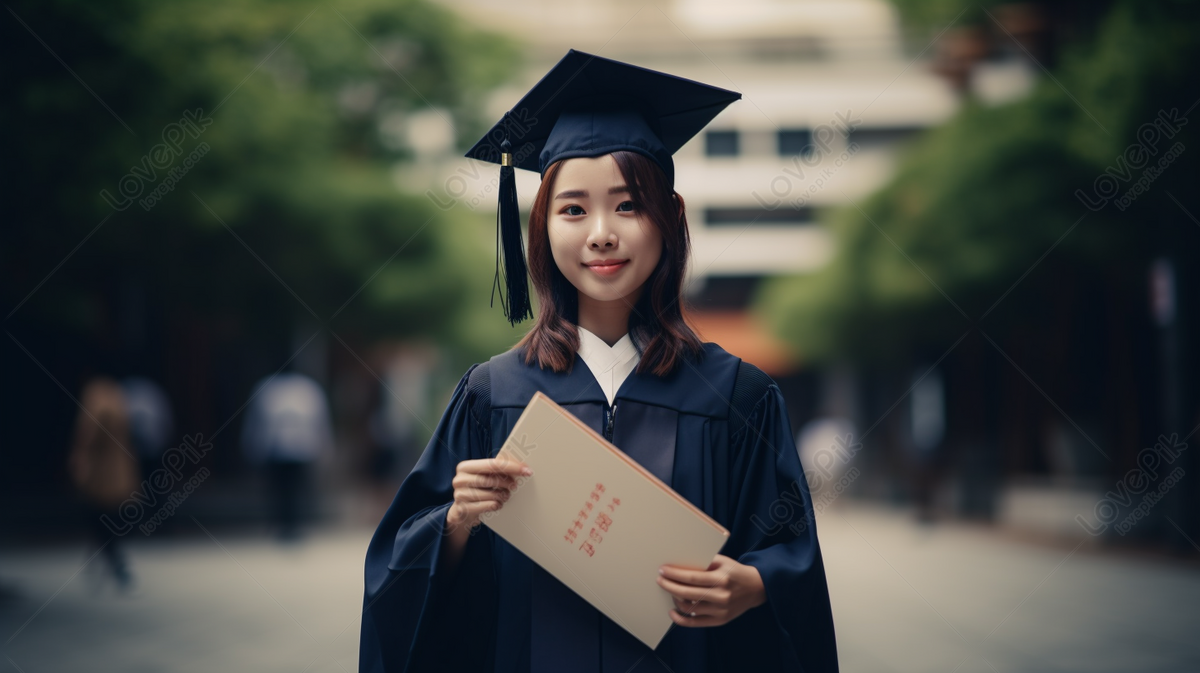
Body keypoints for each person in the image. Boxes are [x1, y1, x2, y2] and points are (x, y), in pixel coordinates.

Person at [359, 49, 839, 673]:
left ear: (672, 218)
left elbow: (790, 553)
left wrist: (756, 584)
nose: (601, 233)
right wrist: (454, 522)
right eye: (574, 209)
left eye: (629, 205)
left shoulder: (736, 397)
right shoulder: (491, 395)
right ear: (541, 227)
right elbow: (399, 575)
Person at [240, 370, 334, 541]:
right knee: (279, 490)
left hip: (301, 450)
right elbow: (256, 421)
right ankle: (281, 524)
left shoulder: (306, 388)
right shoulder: (268, 387)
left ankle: (294, 525)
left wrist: (324, 446)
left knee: (295, 490)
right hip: (275, 450)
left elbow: (320, 420)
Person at [68, 377, 141, 591]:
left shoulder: (96, 395)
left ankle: (113, 563)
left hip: (101, 470)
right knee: (105, 519)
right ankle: (108, 562)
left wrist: (80, 457)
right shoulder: (117, 394)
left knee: (99, 518)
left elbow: (90, 429)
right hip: (117, 467)